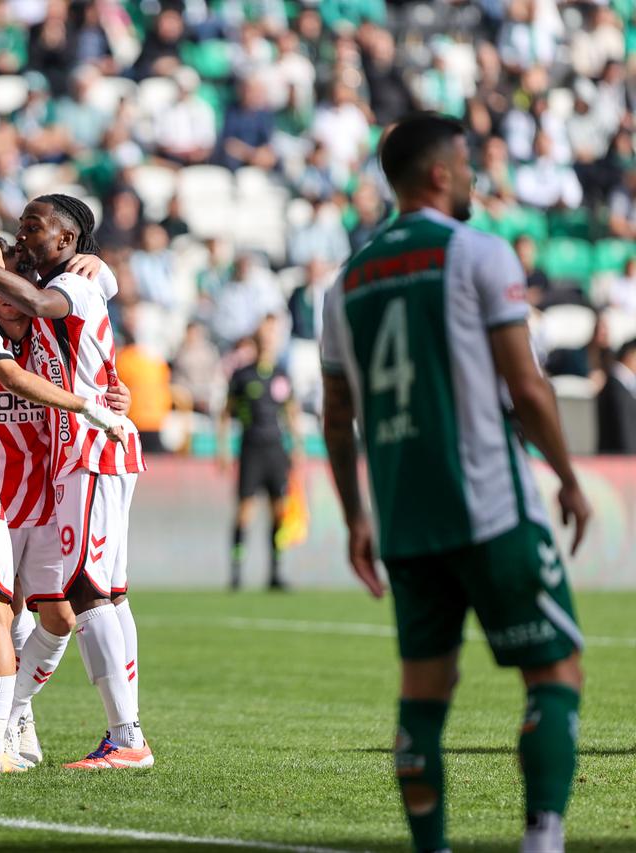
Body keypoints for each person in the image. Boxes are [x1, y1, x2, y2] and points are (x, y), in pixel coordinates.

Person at [320, 114, 589, 853]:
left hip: (405, 519)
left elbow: (336, 417)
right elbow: (527, 387)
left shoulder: (343, 284)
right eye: (466, 164)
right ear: (439, 173)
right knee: (554, 668)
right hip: (492, 506)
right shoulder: (477, 252)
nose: (473, 176)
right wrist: (568, 477)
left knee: (423, 694)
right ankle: (543, 839)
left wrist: (354, 518)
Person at [0, 194, 152, 770]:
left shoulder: (67, 286)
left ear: (67, 241)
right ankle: (1, 725)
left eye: (32, 229)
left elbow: (54, 298)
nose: (21, 241)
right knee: (99, 595)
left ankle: (119, 736)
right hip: (11, 484)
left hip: (85, 455)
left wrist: (99, 268)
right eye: (16, 232)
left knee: (86, 596)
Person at [219, 314, 301, 590]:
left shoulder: (281, 374)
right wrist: (223, 450)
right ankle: (236, 571)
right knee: (245, 512)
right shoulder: (243, 375)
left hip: (276, 449)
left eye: (273, 335)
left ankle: (276, 573)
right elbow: (226, 413)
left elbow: (291, 412)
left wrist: (297, 445)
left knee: (279, 512)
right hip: (251, 447)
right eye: (265, 335)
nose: (269, 340)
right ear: (257, 340)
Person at [596, 338, 636, 454]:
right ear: (630, 355)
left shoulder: (621, 385)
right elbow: (624, 431)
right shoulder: (616, 386)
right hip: (619, 462)